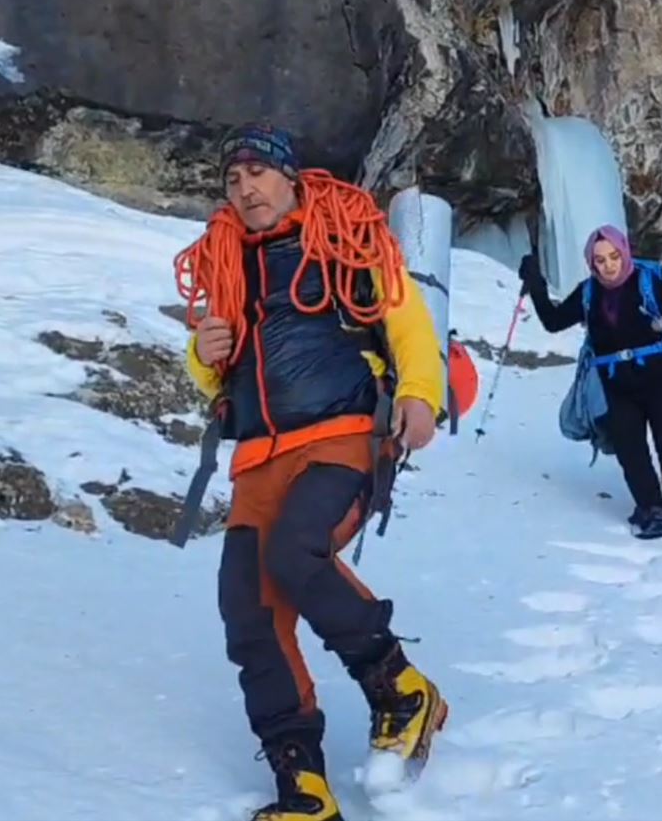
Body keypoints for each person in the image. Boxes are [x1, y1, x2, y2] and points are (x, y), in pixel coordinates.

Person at [176, 124, 447, 821]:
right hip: (258, 454)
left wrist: (420, 392)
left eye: (258, 174)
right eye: (233, 181)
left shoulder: (340, 237)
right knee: (247, 607)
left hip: (342, 432)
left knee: (298, 550)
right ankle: (305, 785)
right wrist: (204, 352)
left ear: (291, 178)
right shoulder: (224, 261)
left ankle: (401, 689)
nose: (245, 190)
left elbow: (404, 315)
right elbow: (214, 371)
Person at [519, 226, 662, 536]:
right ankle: (651, 507)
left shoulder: (646, 282)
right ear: (592, 262)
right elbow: (553, 321)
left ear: (624, 252)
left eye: (614, 256)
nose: (608, 265)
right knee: (631, 449)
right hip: (616, 384)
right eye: (600, 260)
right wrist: (535, 283)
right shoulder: (588, 292)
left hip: (660, 378)